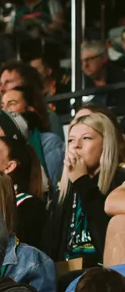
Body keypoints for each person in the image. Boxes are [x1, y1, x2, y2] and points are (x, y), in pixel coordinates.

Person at [47, 107, 124, 270]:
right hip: (65, 275)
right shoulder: (62, 192)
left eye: (86, 138)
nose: (76, 146)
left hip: (102, 274)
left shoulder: (119, 181)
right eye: (71, 140)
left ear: (106, 144)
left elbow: (106, 237)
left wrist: (83, 182)